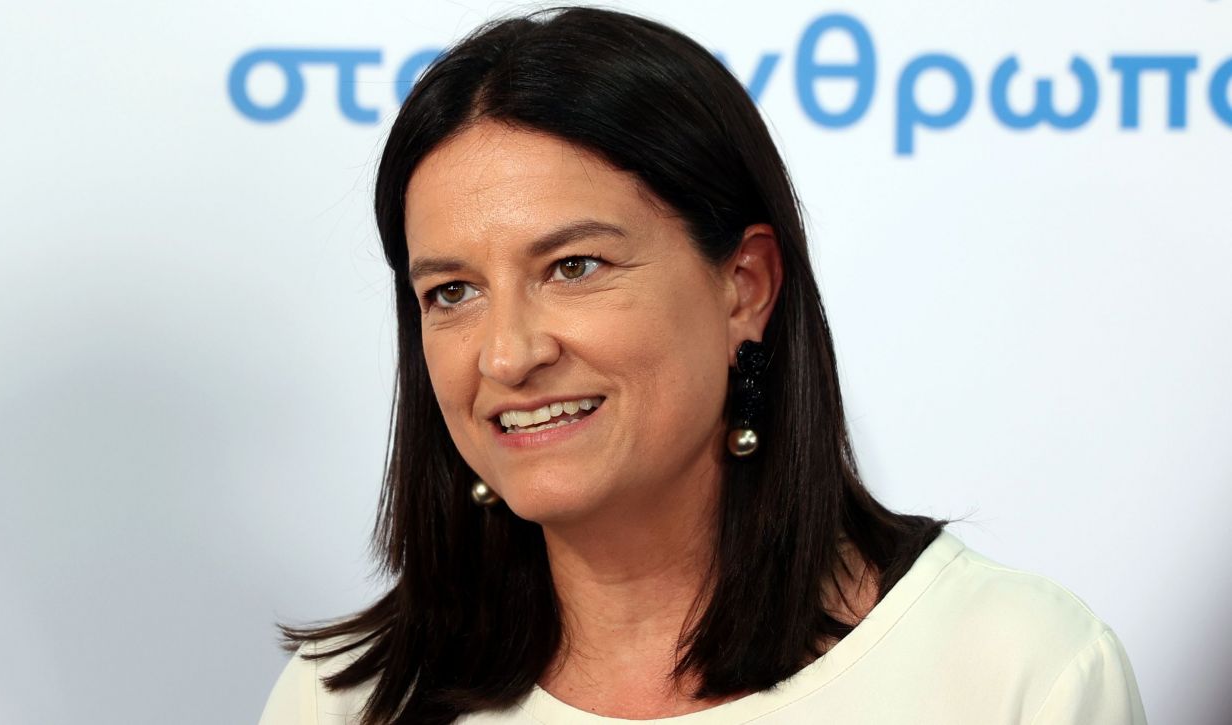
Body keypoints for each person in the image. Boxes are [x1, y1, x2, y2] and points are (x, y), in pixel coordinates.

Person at [258, 7, 1146, 724]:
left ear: (744, 287)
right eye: (452, 291)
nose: (508, 353)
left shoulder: (1015, 671)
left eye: (574, 267)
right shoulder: (345, 701)